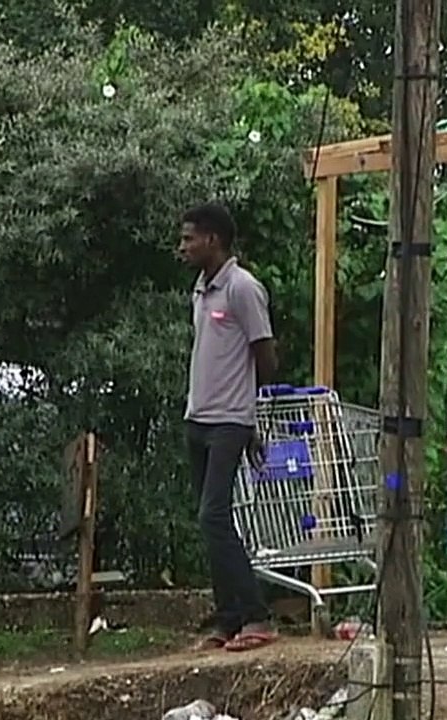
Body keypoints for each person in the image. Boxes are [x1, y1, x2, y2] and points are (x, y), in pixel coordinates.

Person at [179, 203, 280, 652]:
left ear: (213, 240)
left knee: (213, 515)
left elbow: (265, 354)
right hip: (198, 418)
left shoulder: (243, 288)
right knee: (209, 522)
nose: (182, 246)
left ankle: (258, 616)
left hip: (229, 421)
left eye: (189, 238)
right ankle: (228, 618)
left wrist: (251, 412)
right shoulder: (201, 290)